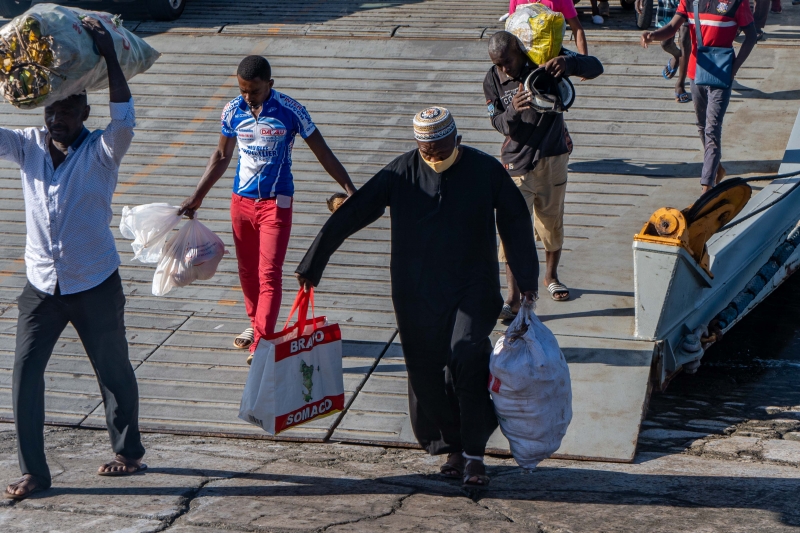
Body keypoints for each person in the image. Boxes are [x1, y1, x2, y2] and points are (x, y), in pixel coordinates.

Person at [295, 108, 539, 489]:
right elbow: (356, 211)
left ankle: (475, 453)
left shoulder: (484, 170)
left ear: (456, 140)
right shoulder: (400, 172)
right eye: (426, 151)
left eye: (440, 150)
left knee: (467, 354)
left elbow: (515, 219)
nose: (433, 158)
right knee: (425, 370)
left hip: (472, 286)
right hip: (416, 288)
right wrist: (314, 263)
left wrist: (526, 279)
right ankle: (452, 446)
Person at [1, 18, 146, 501]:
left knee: (113, 371)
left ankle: (127, 451)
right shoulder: (28, 147)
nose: (57, 118)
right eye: (51, 110)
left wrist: (107, 53)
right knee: (25, 373)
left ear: (84, 110)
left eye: (66, 110)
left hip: (94, 282)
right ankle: (34, 473)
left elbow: (125, 118)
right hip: (42, 286)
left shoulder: (103, 150)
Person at [179, 56, 356, 360]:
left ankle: (262, 341)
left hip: (277, 203)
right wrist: (198, 195)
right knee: (247, 271)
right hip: (241, 203)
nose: (248, 98)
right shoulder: (233, 110)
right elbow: (221, 155)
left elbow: (322, 151)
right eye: (243, 90)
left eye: (255, 91)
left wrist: (350, 188)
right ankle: (255, 324)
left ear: (270, 85)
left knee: (269, 274)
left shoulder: (291, 110)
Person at [484, 31, 603, 311]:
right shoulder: (492, 79)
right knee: (512, 231)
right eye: (498, 63)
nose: (504, 68)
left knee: (551, 222)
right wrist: (512, 109)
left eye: (508, 61)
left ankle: (551, 276)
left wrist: (568, 63)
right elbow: (499, 124)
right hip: (516, 163)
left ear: (520, 49)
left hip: (553, 155)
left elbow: (596, 66)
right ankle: (513, 297)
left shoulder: (544, 57)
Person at [641, 0, 757, 193]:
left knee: (712, 129)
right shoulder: (690, 1)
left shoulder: (738, 3)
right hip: (696, 75)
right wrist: (652, 35)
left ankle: (707, 187)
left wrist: (734, 69)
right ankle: (716, 168)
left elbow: (751, 36)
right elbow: (671, 27)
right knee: (702, 126)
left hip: (722, 75)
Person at [646, 0, 692, 102]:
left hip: (688, 2)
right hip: (668, 2)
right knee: (665, 43)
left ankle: (680, 83)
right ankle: (677, 56)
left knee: (685, 40)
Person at [509, 0, 590, 54]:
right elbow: (510, 29)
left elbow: (577, 29)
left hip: (551, 53)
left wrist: (584, 60)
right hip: (522, 52)